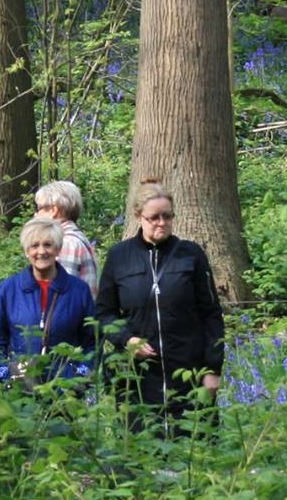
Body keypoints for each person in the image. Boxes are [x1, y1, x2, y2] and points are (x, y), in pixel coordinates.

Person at [95, 181, 224, 430]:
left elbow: (211, 315)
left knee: (195, 444)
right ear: (138, 217)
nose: (161, 223)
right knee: (143, 450)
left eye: (167, 216)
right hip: (139, 376)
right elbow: (103, 313)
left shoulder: (190, 255)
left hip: (188, 369)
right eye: (154, 217)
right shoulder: (119, 257)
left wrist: (212, 369)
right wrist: (126, 339)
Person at [0, 217, 99, 387]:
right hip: (19, 388)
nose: (41, 251)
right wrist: (2, 375)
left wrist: (80, 376)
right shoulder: (9, 289)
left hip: (66, 391)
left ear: (58, 249)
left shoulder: (78, 290)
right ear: (26, 251)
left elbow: (92, 341)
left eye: (48, 245)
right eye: (34, 245)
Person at [33, 181, 99, 291]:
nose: (36, 215)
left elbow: (59, 294)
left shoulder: (66, 243)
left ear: (53, 211)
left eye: (39, 208)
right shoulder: (76, 239)